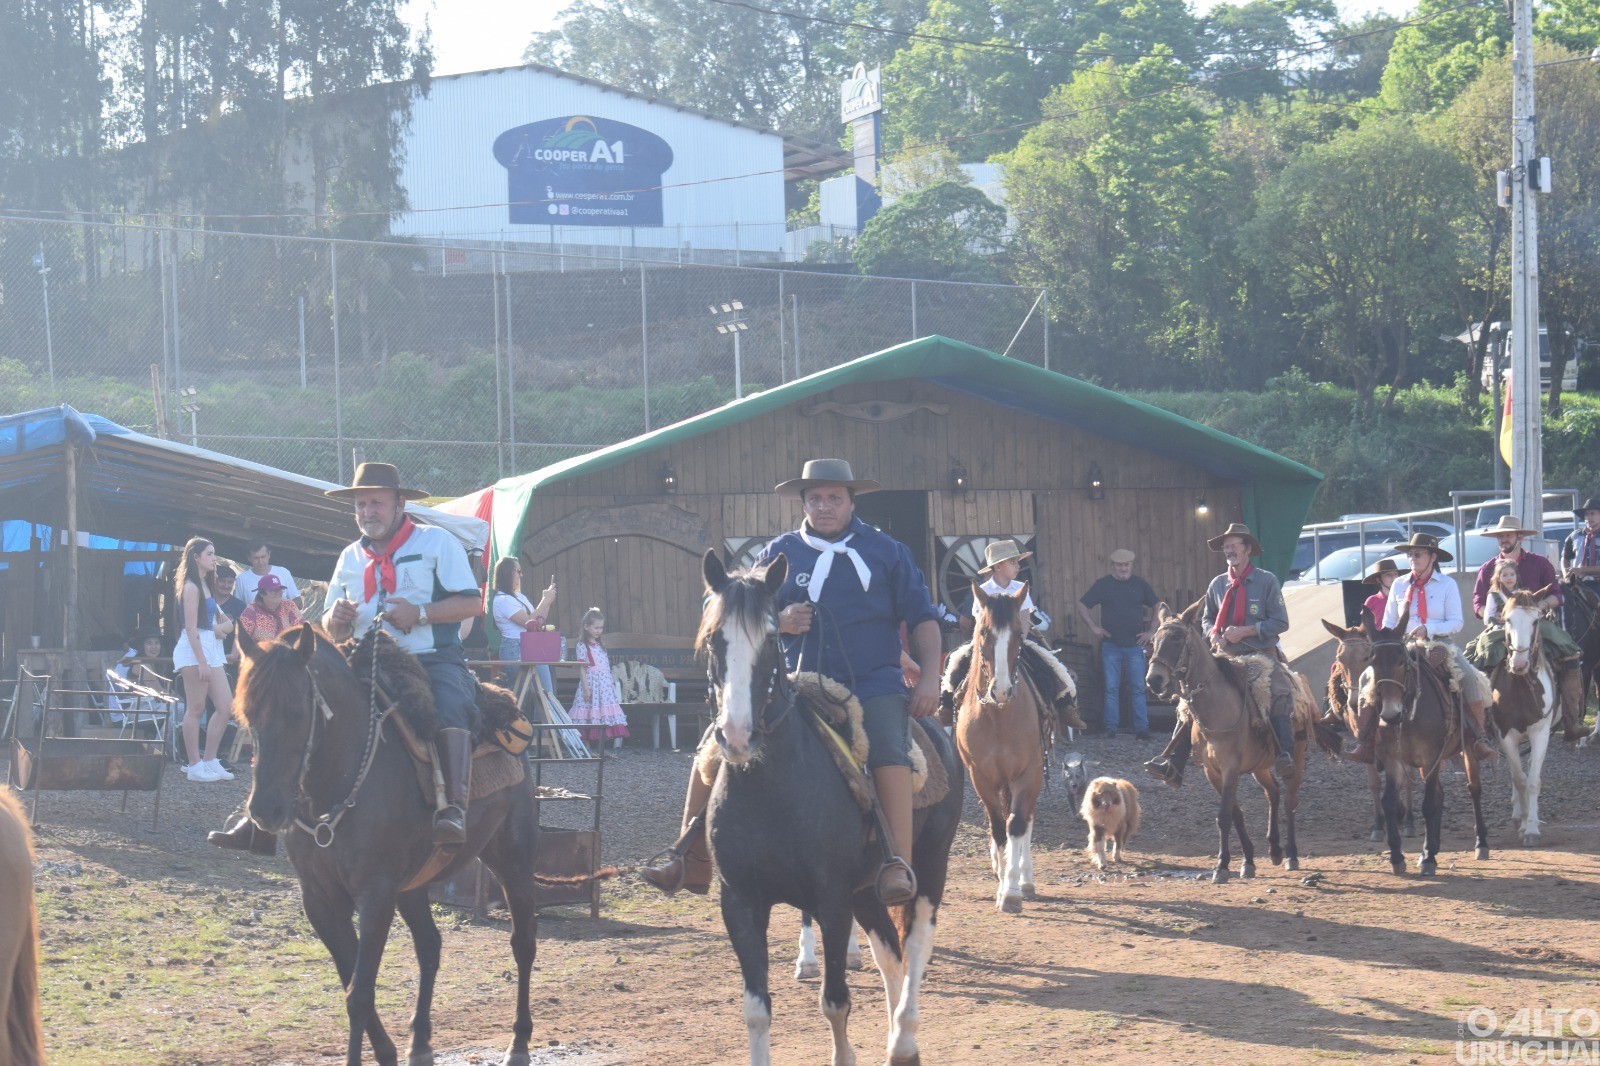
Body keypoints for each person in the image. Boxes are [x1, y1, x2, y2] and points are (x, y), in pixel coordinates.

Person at [641, 459, 942, 904]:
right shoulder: (779, 554)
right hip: (799, 680)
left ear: (851, 502)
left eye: (834, 499)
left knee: (886, 745)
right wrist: (779, 621)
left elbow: (924, 619)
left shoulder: (887, 551)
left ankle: (896, 863)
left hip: (873, 681)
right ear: (803, 503)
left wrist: (931, 676)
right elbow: (743, 618)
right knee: (715, 739)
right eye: (815, 498)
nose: (824, 507)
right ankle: (689, 855)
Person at [322, 463, 482, 844]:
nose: (367, 512)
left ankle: (453, 808)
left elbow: (472, 603)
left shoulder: (437, 542)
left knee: (449, 704)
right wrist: (336, 618)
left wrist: (421, 613)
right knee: (306, 706)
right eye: (361, 505)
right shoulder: (349, 556)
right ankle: (272, 811)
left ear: (400, 503)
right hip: (363, 658)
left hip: (431, 658)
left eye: (376, 503)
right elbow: (330, 623)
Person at [1144, 523, 1295, 784]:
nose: (1229, 550)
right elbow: (1207, 619)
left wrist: (1247, 630)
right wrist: (1213, 634)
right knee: (1189, 696)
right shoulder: (1217, 584)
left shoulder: (1266, 581)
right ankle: (1175, 762)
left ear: (1247, 549)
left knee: (1279, 690)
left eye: (1234, 545)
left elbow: (1280, 622)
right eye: (1226, 547)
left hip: (1260, 653)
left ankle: (1285, 753)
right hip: (1225, 654)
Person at [1345, 533, 1497, 763]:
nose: (1412, 558)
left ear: (1432, 556)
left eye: (1418, 554)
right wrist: (1387, 639)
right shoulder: (1399, 584)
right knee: (1367, 678)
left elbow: (1457, 622)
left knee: (1468, 677)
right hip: (1402, 644)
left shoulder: (1447, 584)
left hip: (1439, 643)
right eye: (1410, 555)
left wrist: (1428, 628)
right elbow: (1388, 622)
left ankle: (1478, 738)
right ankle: (1365, 742)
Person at [1472, 516, 1585, 736]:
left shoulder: (1539, 563)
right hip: (1500, 627)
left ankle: (1572, 721)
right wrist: (1491, 614)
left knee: (1571, 654)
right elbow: (1478, 601)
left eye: (1508, 535)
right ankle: (1480, 726)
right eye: (1500, 535)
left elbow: (1557, 594)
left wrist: (1542, 605)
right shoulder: (1488, 569)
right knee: (1476, 659)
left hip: (1536, 624)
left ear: (1519, 537)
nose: (1503, 539)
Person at [171, 537, 237, 783]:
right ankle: (194, 764)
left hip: (213, 650)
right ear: (196, 557)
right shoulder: (190, 587)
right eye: (209, 554)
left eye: (214, 553)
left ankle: (210, 759)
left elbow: (223, 623)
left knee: (225, 705)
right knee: (196, 707)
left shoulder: (206, 584)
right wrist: (201, 662)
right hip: (194, 652)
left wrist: (221, 630)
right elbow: (190, 628)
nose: (214, 558)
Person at [1077, 548, 1159, 739]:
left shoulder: (1140, 585)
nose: (1123, 568)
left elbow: (1157, 605)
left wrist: (1152, 630)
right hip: (1111, 645)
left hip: (1135, 645)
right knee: (1111, 688)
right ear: (1113, 565)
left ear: (1131, 565)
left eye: (1126, 565)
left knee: (1138, 687)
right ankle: (1110, 728)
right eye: (1120, 565)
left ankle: (1142, 729)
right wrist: (1094, 627)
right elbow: (1082, 604)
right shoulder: (1103, 585)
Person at [490, 558, 559, 693]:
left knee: (546, 693)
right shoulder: (502, 600)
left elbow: (538, 622)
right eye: (518, 571)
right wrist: (545, 600)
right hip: (514, 647)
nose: (521, 575)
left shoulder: (519, 596)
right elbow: (529, 623)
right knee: (521, 695)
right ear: (507, 573)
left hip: (533, 645)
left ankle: (543, 714)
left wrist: (548, 602)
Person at [569, 608, 629, 751]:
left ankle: (601, 745)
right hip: (591, 684)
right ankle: (586, 744)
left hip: (604, 685)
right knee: (589, 711)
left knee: (602, 713)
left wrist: (610, 685)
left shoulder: (601, 645)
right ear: (586, 627)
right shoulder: (582, 645)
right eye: (596, 627)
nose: (598, 630)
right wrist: (585, 688)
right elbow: (582, 668)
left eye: (601, 628)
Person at [238, 573, 305, 643]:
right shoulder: (252, 610)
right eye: (273, 591)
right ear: (261, 593)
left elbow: (301, 629)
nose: (278, 593)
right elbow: (241, 637)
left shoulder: (289, 605)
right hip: (261, 652)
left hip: (287, 651)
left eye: (280, 589)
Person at [233, 541, 301, 607]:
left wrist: (279, 609)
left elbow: (298, 603)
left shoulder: (283, 572)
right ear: (249, 558)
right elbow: (237, 607)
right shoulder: (242, 579)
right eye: (256, 558)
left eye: (263, 557)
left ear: (269, 554)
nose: (260, 562)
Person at [1362, 558, 1407, 626]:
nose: (1393, 577)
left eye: (1395, 574)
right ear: (1379, 579)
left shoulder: (1404, 597)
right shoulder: (1372, 600)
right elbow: (1364, 624)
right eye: (1388, 574)